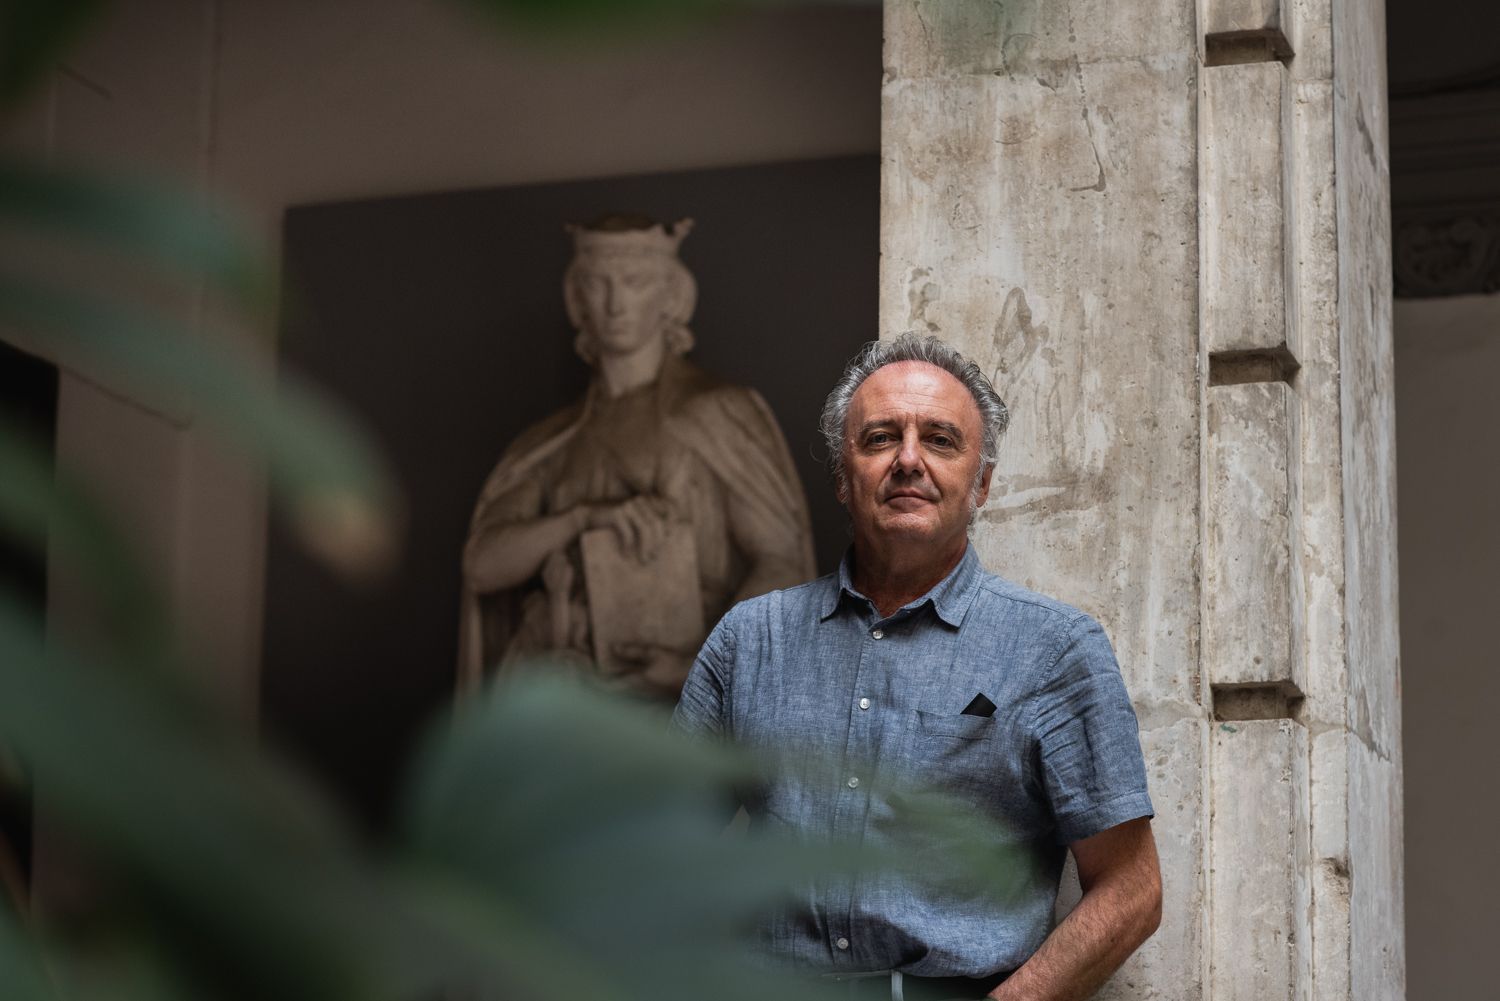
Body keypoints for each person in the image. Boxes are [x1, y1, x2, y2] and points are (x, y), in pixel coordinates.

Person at [673, 333, 1161, 1000]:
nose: (908, 459)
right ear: (843, 477)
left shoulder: (1054, 648)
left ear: (982, 481)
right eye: (879, 438)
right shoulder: (748, 640)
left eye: (939, 438)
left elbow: (1133, 890)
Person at [458, 214, 814, 699]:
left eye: (635, 281)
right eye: (598, 284)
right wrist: (582, 517)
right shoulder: (550, 442)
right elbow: (483, 565)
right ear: (577, 299)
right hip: (562, 698)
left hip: (680, 699)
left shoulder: (715, 413)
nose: (615, 302)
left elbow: (783, 562)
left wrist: (695, 667)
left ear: (671, 296)